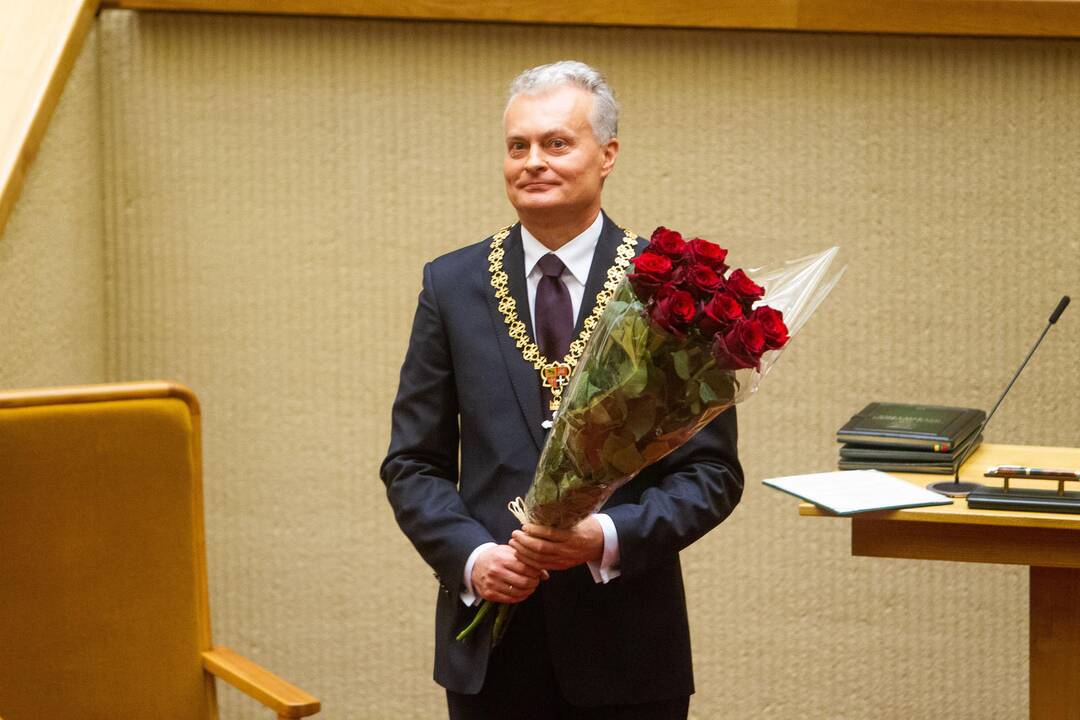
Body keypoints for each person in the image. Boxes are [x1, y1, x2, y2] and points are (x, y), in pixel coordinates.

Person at [381, 60, 744, 720]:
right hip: (493, 643)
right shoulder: (452, 285)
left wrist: (605, 537)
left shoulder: (669, 288)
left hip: (630, 648)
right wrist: (471, 559)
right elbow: (412, 463)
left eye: (556, 143)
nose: (532, 162)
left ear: (607, 155)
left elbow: (712, 474)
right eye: (517, 146)